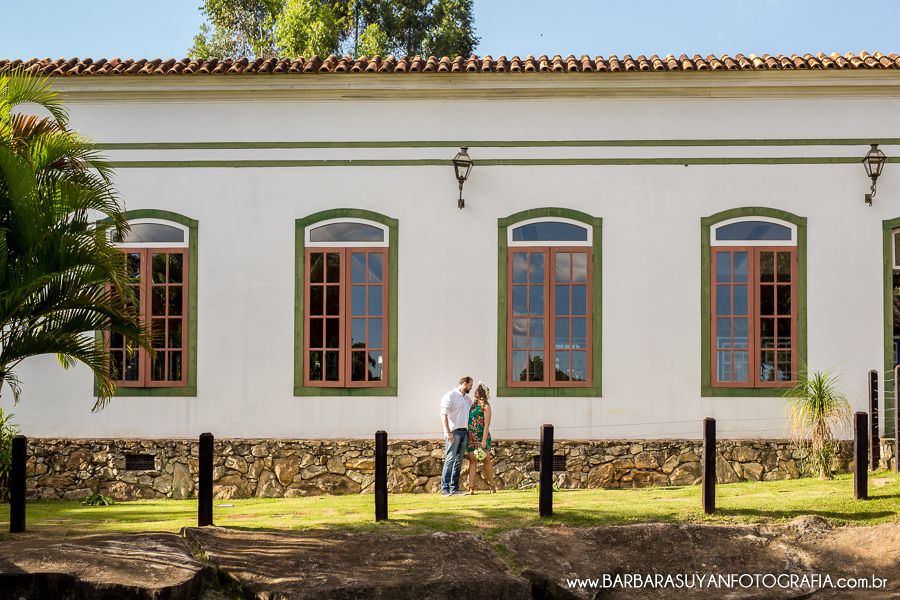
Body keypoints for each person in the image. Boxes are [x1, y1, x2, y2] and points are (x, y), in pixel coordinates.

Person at [440, 376, 473, 497]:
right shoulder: (450, 396)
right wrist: (447, 432)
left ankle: (454, 488)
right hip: (453, 432)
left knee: (458, 461)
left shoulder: (467, 399)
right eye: (470, 385)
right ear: (464, 384)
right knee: (450, 459)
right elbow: (444, 414)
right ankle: (444, 489)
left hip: (465, 432)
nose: (471, 388)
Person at [465, 381, 496, 494]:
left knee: (486, 460)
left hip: (482, 436)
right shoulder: (472, 407)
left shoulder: (486, 407)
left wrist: (483, 440)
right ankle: (471, 488)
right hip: (472, 437)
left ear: (482, 393)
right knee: (472, 460)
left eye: (477, 390)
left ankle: (492, 486)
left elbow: (487, 424)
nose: (475, 391)